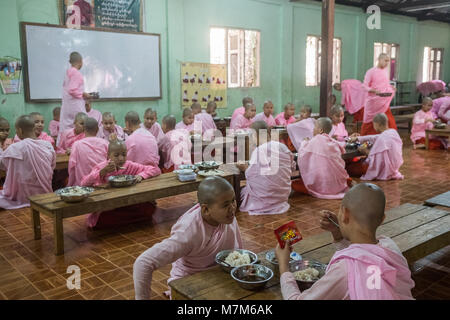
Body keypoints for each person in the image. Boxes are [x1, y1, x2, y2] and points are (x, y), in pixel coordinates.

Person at [275, 183, 415, 300]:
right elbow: (363, 254)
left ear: (345, 214)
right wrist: (338, 233)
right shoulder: (390, 246)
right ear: (382, 219)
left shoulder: (343, 271)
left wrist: (284, 267)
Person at [133, 176, 243, 300]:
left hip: (221, 275)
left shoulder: (226, 217)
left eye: (233, 201)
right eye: (225, 205)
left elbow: (238, 252)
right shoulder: (189, 231)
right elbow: (143, 263)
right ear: (206, 209)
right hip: (190, 283)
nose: (232, 208)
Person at [81, 140, 161, 228]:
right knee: (103, 218)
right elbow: (84, 183)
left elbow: (155, 170)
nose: (121, 158)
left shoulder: (129, 165)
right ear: (108, 156)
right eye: (116, 155)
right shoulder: (101, 167)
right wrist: (101, 173)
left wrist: (141, 176)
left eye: (124, 154)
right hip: (110, 206)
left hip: (127, 202)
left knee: (149, 208)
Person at [238, 121, 294, 215]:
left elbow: (250, 174)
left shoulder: (259, 150)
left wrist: (244, 168)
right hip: (282, 194)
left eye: (252, 135)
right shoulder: (282, 146)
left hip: (265, 195)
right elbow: (291, 165)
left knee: (243, 192)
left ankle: (265, 203)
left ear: (255, 135)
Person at [0, 115, 55, 209]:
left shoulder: (15, 148)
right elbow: (52, 167)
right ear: (34, 128)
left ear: (20, 131)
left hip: (22, 196)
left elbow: (2, 165)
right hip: (44, 193)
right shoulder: (48, 146)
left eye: (16, 131)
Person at [291, 117, 350, 199]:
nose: (313, 130)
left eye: (315, 127)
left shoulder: (317, 139)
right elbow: (342, 145)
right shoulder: (332, 141)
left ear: (320, 130)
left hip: (323, 187)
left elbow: (302, 152)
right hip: (337, 185)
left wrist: (304, 141)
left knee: (294, 184)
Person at [348, 113, 403, 181]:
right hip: (393, 168)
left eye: (374, 124)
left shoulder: (381, 139)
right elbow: (375, 137)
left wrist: (364, 151)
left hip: (381, 169)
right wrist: (358, 138)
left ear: (377, 124)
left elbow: (374, 159)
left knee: (349, 168)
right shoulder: (393, 132)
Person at [361, 54, 397, 136]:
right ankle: (365, 141)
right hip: (373, 103)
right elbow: (364, 86)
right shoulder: (371, 71)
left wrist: (391, 87)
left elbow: (385, 85)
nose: (387, 63)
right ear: (379, 59)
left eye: (388, 61)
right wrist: (373, 90)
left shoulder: (385, 72)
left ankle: (388, 139)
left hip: (383, 103)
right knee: (369, 124)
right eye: (385, 60)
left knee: (389, 122)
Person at [59, 52, 90, 146]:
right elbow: (72, 90)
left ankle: (64, 147)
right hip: (75, 106)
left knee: (66, 128)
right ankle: (83, 146)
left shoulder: (68, 72)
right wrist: (83, 94)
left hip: (67, 105)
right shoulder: (77, 74)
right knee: (82, 126)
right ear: (80, 62)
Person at [68, 117, 108, 186]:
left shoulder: (77, 145)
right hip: (102, 184)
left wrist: (70, 184)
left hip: (83, 186)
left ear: (84, 129)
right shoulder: (105, 143)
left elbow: (72, 168)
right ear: (98, 130)